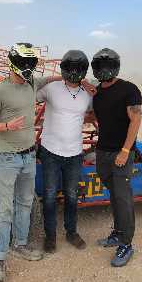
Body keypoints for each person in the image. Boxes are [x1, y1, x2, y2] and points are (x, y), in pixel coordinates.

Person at [0, 42, 62, 282]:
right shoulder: (0, 91)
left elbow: (48, 79)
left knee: (25, 203)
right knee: (3, 210)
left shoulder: (31, 84)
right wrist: (7, 126)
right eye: (25, 63)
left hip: (29, 156)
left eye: (31, 63)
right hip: (7, 158)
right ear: (13, 63)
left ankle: (20, 244)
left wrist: (70, 76)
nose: (29, 68)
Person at [36, 50, 95, 253]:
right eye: (70, 68)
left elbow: (97, 110)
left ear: (83, 70)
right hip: (51, 152)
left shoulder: (87, 94)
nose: (74, 72)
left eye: (78, 69)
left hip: (74, 153)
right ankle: (50, 236)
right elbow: (29, 95)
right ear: (64, 69)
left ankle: (71, 232)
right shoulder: (51, 88)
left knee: (71, 195)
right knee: (50, 196)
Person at [91, 48, 142, 267]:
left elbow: (136, 120)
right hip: (102, 152)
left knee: (123, 198)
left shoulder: (129, 89)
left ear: (115, 67)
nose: (104, 70)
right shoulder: (97, 92)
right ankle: (118, 233)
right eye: (100, 66)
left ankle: (126, 243)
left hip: (121, 153)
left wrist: (125, 150)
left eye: (108, 66)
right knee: (114, 195)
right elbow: (97, 116)